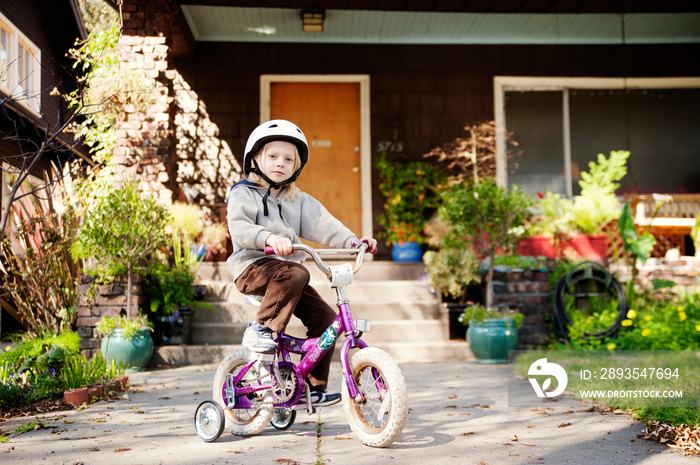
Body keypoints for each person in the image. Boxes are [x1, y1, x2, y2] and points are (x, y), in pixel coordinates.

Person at [225, 119, 377, 406]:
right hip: (252, 268)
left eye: (288, 159)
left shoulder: (299, 200)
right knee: (296, 271)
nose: (280, 163)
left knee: (326, 320)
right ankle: (262, 330)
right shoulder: (243, 193)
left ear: (296, 166)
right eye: (272, 156)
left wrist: (354, 243)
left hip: (288, 276)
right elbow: (240, 228)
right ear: (256, 158)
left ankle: (312, 388)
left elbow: (325, 225)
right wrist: (268, 238)